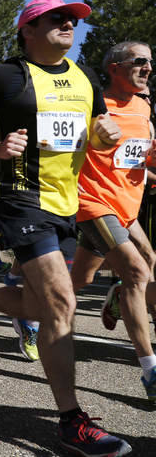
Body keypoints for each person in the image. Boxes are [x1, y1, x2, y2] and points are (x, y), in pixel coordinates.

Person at [0, 0, 131, 456]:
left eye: (73, 20)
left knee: (42, 304)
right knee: (61, 301)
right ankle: (71, 421)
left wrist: (104, 134)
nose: (69, 24)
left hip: (65, 203)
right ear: (27, 29)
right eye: (57, 18)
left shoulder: (85, 76)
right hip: (19, 201)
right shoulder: (2, 77)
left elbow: (97, 129)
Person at [69, 41, 156, 403]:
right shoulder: (94, 107)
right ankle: (151, 371)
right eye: (140, 61)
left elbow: (138, 160)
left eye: (151, 61)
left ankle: (34, 312)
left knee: (78, 281)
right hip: (94, 203)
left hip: (127, 208)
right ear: (115, 68)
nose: (148, 67)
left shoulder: (144, 106)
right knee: (137, 270)